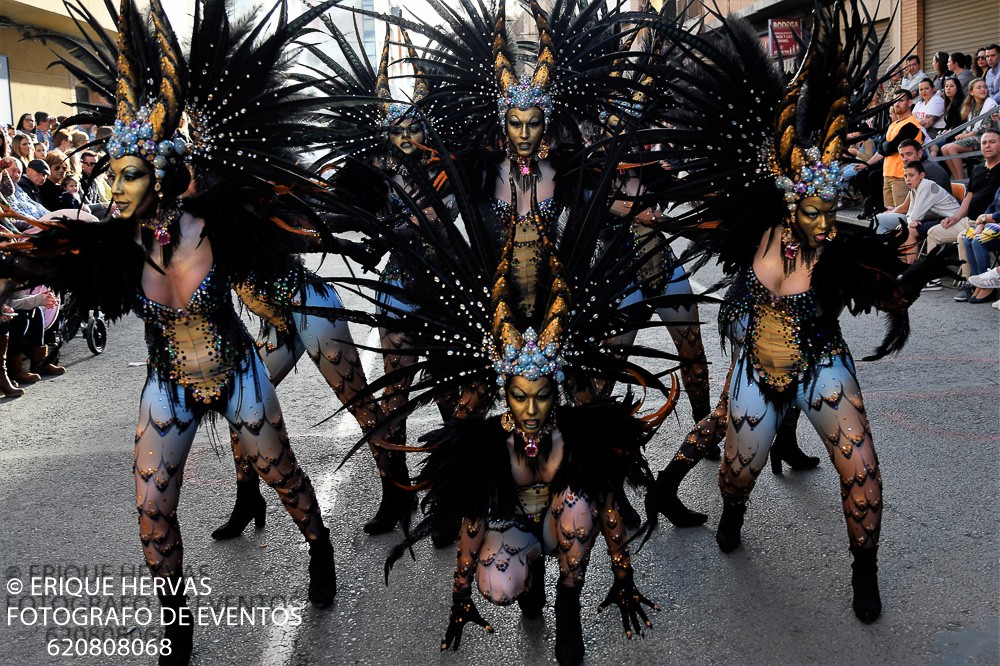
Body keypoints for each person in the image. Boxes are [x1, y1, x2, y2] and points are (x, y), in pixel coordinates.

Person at [1, 1, 349, 662]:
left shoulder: (218, 223)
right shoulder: (110, 247)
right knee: (152, 511)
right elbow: (34, 253)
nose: (115, 186)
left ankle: (320, 543)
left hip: (237, 373)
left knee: (284, 477)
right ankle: (178, 629)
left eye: (128, 175)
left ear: (162, 173)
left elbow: (293, 216)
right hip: (169, 386)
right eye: (111, 174)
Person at [639, 0, 957, 624]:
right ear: (787, 206)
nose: (821, 223)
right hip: (758, 364)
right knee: (735, 473)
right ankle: (727, 514)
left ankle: (864, 576)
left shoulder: (838, 248)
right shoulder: (751, 228)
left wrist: (924, 267)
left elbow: (888, 294)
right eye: (809, 211)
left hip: (821, 363)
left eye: (827, 210)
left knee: (863, 473)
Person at [939, 78, 999, 180]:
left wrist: (966, 135)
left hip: (984, 138)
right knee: (944, 148)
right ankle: (958, 179)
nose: (983, 90)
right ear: (971, 92)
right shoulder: (972, 106)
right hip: (973, 137)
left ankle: (961, 180)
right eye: (979, 87)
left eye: (984, 87)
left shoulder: (991, 104)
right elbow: (969, 126)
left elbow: (985, 127)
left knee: (952, 148)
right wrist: (962, 134)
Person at [959, 187, 1000, 303]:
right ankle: (978, 282)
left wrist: (986, 218)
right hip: (994, 226)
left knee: (979, 241)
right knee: (968, 239)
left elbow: (993, 214)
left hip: (997, 227)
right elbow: (991, 207)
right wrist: (982, 222)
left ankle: (987, 285)